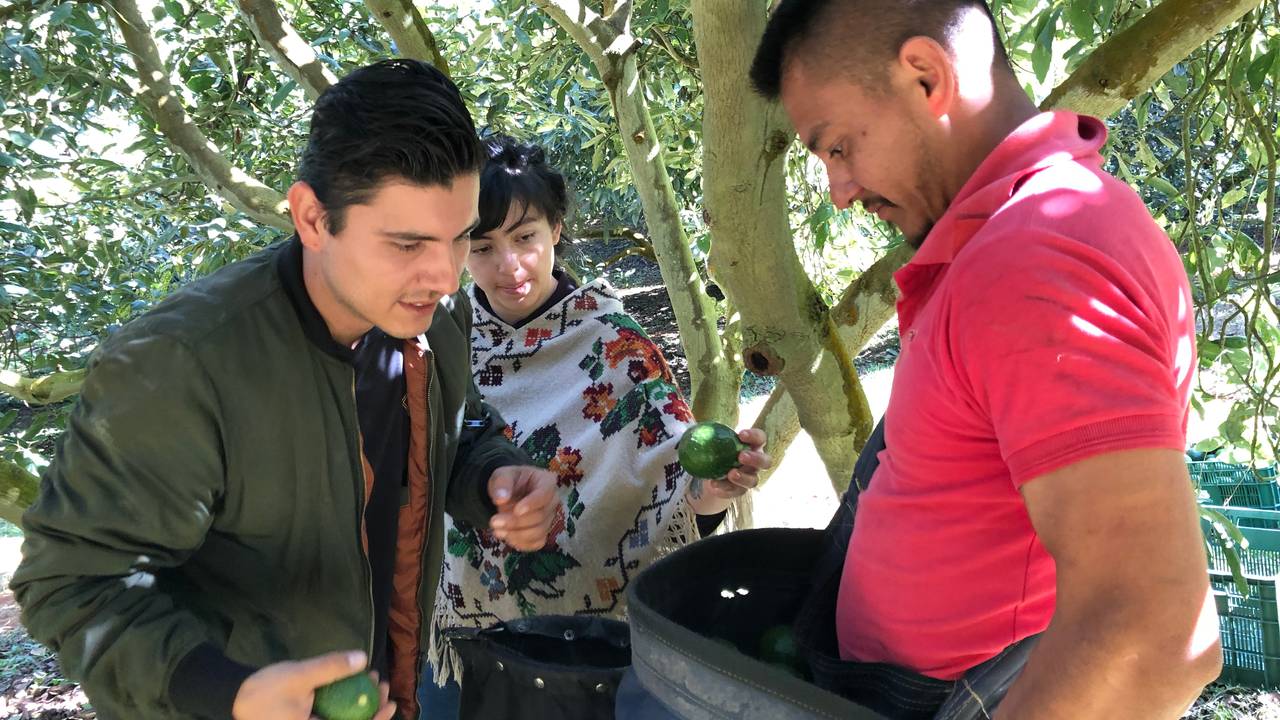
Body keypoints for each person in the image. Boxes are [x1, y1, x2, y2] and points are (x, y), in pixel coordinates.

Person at [11, 59, 560, 720]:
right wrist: (229, 693)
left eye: (459, 236)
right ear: (311, 218)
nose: (445, 276)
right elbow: (73, 586)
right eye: (407, 243)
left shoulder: (430, 318)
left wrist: (494, 476)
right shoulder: (178, 367)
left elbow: (454, 425)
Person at [747, 1, 1223, 717]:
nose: (839, 193)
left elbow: (1152, 630)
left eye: (839, 146)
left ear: (926, 76)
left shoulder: (1035, 256)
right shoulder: (1017, 235)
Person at [418, 136, 770, 717]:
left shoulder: (619, 349)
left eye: (526, 237)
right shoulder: (440, 347)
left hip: (593, 660)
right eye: (481, 246)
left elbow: (677, 501)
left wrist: (719, 486)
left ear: (556, 228)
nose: (510, 266)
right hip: (463, 648)